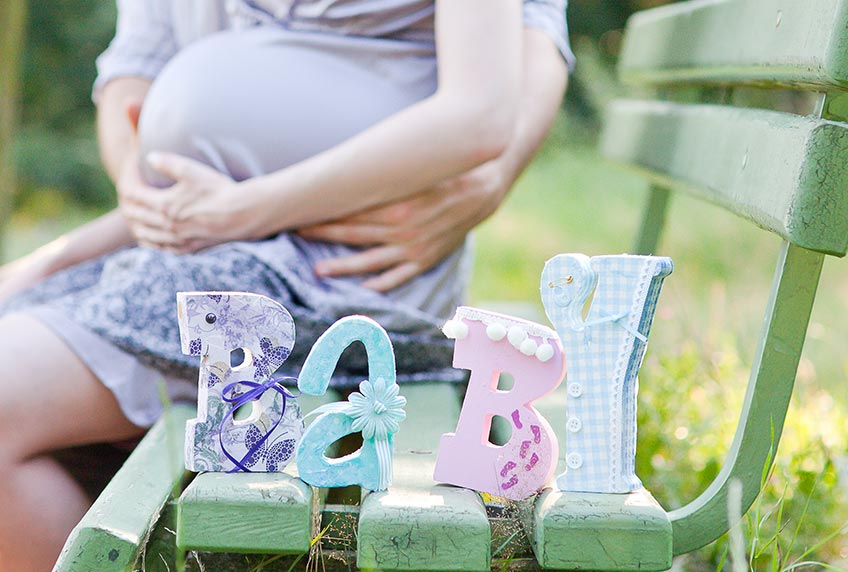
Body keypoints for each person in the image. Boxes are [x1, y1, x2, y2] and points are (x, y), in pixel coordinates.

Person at [0, 0, 573, 569]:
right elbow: (134, 70)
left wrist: (241, 211)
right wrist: (130, 197)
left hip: (329, 282)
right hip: (193, 251)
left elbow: (490, 98)